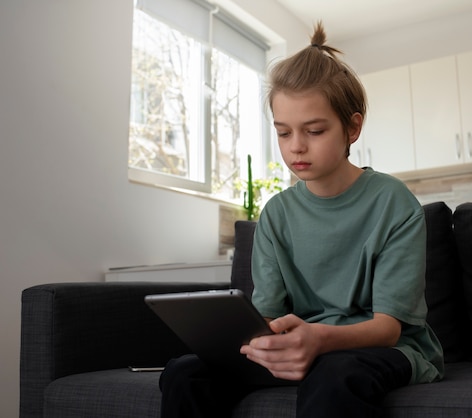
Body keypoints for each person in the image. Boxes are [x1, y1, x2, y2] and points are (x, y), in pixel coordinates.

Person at [160, 21, 444, 418]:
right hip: (302, 348)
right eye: (283, 132)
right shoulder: (276, 215)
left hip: (384, 350)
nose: (296, 147)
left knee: (334, 375)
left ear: (353, 127)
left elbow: (388, 328)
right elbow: (269, 315)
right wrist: (267, 341)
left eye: (314, 130)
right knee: (185, 373)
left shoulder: (393, 204)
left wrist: (318, 339)